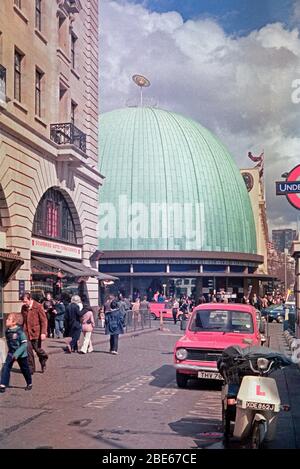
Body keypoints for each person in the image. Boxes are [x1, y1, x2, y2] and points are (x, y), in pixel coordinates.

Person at [0, 313, 32, 393]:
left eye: (9, 319)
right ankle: (3, 384)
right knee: (6, 367)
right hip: (11, 353)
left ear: (14, 322)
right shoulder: (7, 331)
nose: (6, 320)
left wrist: (17, 354)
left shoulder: (19, 332)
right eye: (7, 319)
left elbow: (24, 344)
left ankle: (29, 383)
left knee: (25, 369)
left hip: (21, 354)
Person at [21, 292, 48, 373]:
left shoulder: (38, 306)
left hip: (36, 333)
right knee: (28, 350)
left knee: (37, 349)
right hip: (26, 332)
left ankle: (43, 359)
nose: (24, 303)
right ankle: (31, 369)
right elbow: (22, 320)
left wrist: (43, 332)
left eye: (25, 301)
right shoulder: (23, 308)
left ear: (30, 299)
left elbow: (44, 321)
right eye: (23, 301)